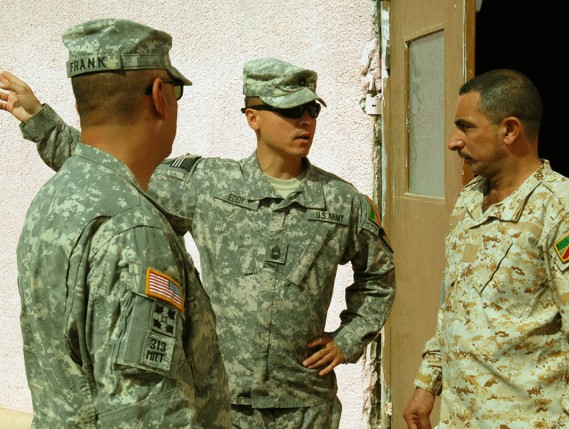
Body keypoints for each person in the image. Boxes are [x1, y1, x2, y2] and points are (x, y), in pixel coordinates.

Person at [1, 57, 396, 428]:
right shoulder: (208, 184)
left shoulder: (341, 202)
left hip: (304, 403)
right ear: (253, 118)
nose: (305, 121)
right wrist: (40, 120)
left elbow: (379, 278)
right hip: (224, 401)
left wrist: (346, 341)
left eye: (312, 111)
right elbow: (113, 171)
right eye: (291, 111)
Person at [2, 18, 231, 428]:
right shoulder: (134, 230)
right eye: (176, 91)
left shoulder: (57, 197)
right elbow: (147, 415)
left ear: (79, 105)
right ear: (161, 96)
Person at [401, 69, 569, 428]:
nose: (453, 141)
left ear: (509, 130)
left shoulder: (567, 213)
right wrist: (428, 382)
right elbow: (456, 305)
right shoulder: (470, 201)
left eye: (466, 127)